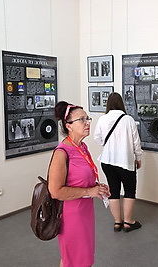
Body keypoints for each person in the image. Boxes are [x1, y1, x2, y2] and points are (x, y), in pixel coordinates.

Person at [48, 101, 110, 267]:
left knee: (75, 258)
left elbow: (82, 178)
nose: (88, 122)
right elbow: (55, 191)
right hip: (71, 215)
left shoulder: (82, 147)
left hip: (85, 211)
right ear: (68, 125)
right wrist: (90, 191)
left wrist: (97, 188)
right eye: (82, 120)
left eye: (87, 118)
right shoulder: (61, 153)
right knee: (77, 259)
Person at [93, 92, 143, 233]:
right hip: (125, 161)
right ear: (121, 103)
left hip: (107, 161)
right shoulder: (128, 120)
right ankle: (128, 221)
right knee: (129, 190)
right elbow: (136, 143)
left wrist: (110, 144)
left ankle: (117, 222)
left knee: (113, 191)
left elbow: (97, 140)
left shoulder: (103, 119)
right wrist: (138, 158)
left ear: (108, 104)